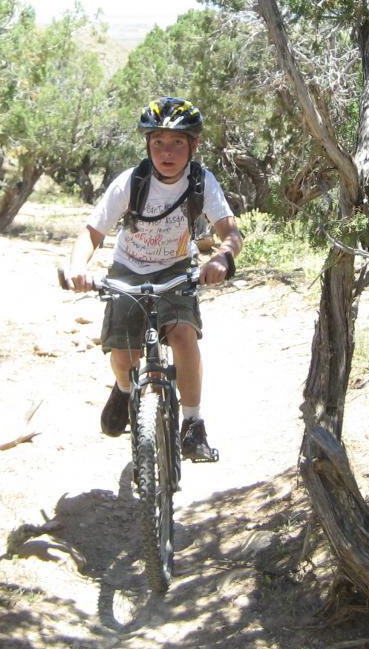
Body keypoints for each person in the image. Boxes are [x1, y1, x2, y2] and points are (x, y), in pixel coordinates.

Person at [65, 96, 243, 462]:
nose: (167, 151)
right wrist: (77, 268)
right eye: (158, 142)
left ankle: (193, 425)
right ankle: (123, 388)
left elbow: (231, 232)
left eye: (178, 142)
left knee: (183, 334)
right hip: (128, 269)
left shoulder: (201, 183)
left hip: (176, 268)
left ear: (193, 146)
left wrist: (222, 257)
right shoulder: (131, 182)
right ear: (147, 145)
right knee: (122, 354)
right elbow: (92, 233)